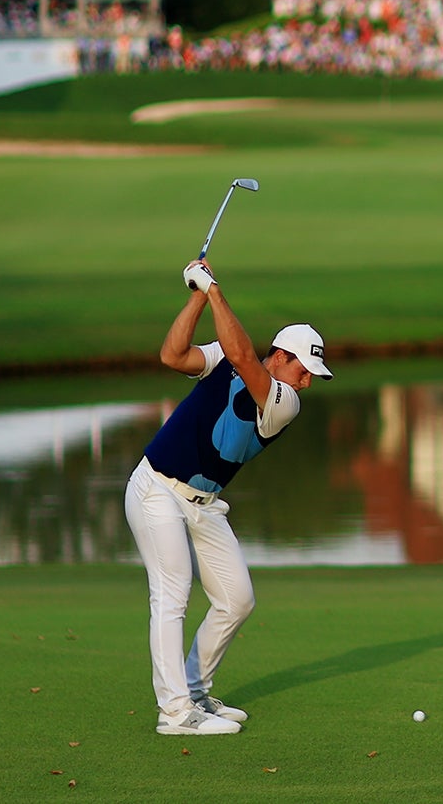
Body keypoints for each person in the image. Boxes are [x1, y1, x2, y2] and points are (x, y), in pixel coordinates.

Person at [125, 258, 333, 735]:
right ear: (280, 355)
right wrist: (198, 296)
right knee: (172, 593)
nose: (307, 382)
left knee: (237, 599)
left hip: (203, 504)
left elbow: (242, 358)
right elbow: (173, 356)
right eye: (305, 369)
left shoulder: (284, 403)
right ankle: (176, 712)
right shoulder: (224, 357)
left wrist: (214, 289)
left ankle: (195, 691)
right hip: (155, 487)